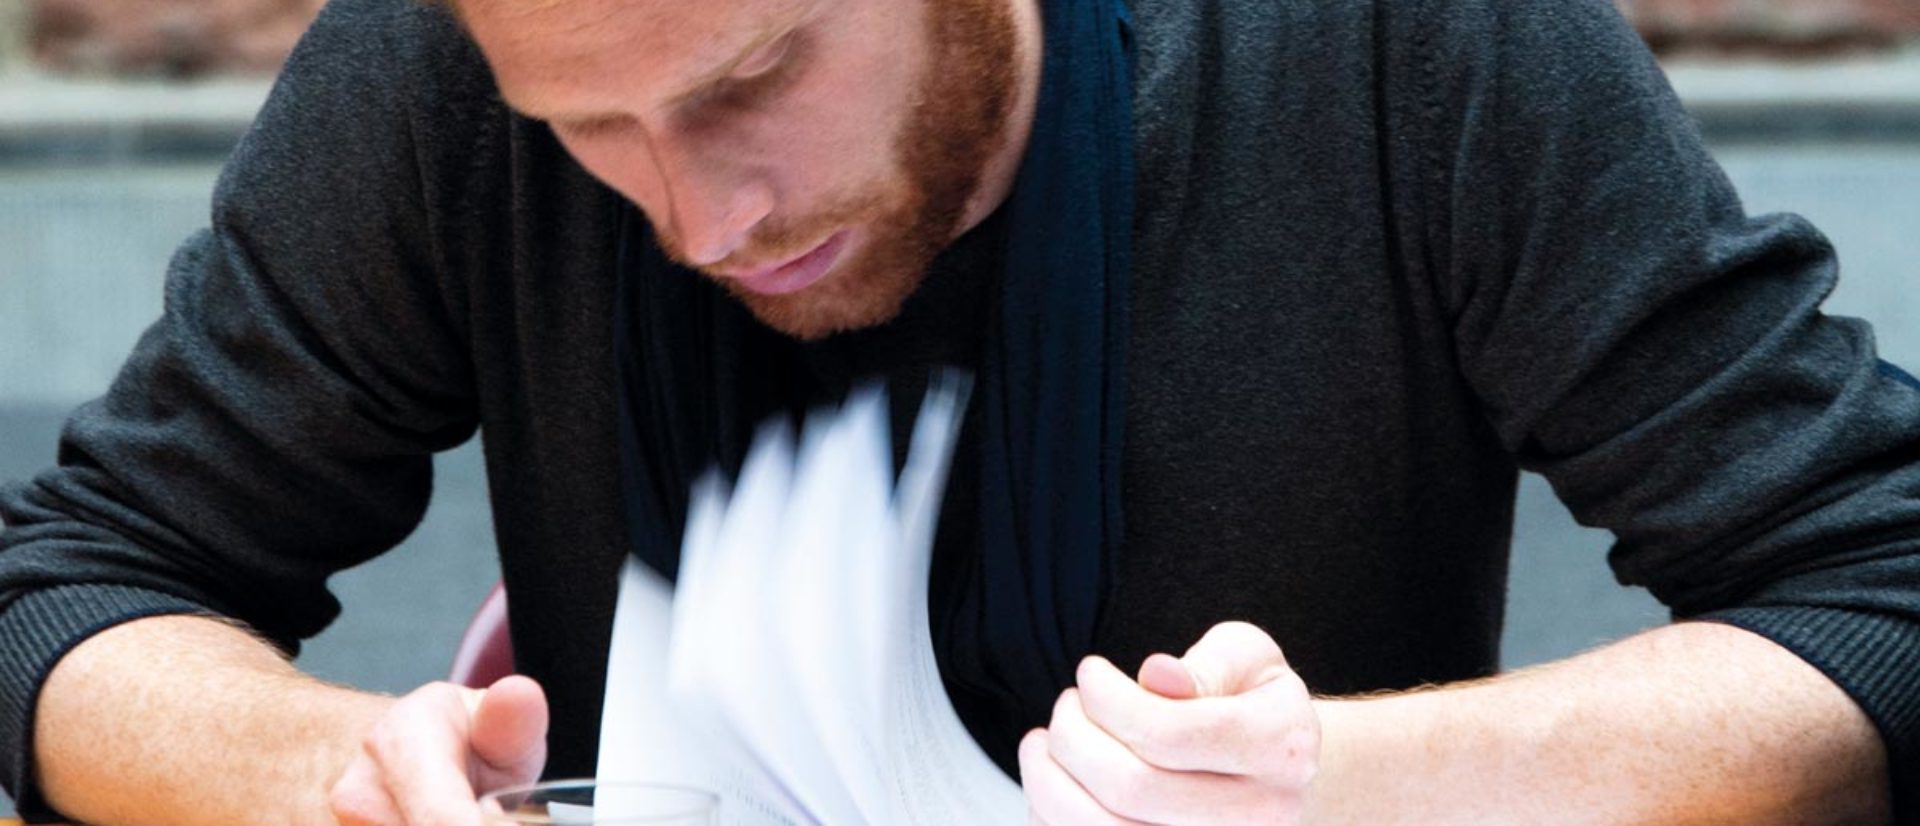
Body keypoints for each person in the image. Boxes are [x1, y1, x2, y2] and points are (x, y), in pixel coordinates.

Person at [0, 0, 1913, 821]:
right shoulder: (441, 72)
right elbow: (72, 587)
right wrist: (339, 775)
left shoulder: (1404, 51)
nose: (698, 218)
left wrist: (1350, 783)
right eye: (587, 128)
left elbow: (1875, 590)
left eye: (754, 79)